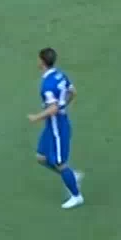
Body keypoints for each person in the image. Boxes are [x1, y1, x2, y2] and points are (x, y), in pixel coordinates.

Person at [28, 47, 85, 209]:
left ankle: (76, 196)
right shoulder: (60, 75)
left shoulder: (47, 85)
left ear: (42, 62)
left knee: (60, 163)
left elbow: (53, 108)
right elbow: (73, 92)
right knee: (41, 157)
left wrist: (36, 117)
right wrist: (63, 105)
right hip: (53, 125)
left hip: (57, 128)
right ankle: (72, 176)